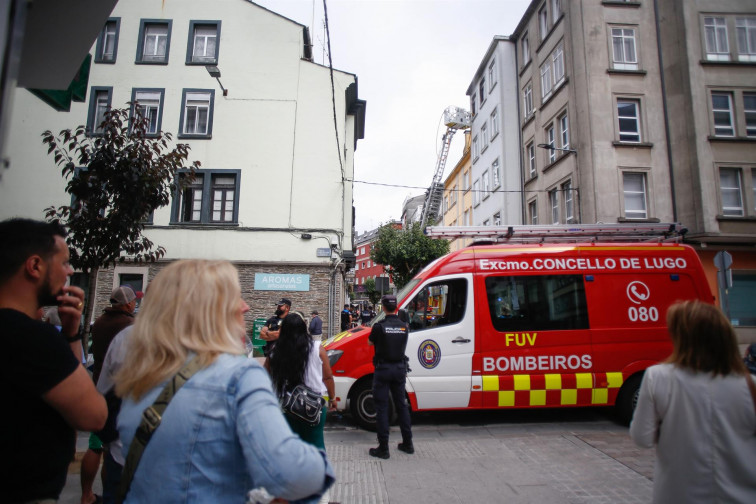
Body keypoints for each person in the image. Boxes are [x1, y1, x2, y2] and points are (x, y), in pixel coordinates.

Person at [114, 260, 332, 503]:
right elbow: (297, 475)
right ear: (208, 312)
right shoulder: (239, 377)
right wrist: (321, 462)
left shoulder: (135, 378)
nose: (246, 307)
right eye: (234, 298)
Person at [0, 218, 107, 503]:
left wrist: (70, 333)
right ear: (35, 266)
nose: (70, 271)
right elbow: (94, 415)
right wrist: (71, 339)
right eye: (64, 263)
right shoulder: (32, 339)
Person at [629, 300, 756, 503]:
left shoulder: (658, 377)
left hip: (678, 495)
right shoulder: (750, 385)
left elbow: (642, 438)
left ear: (683, 338)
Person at [81, 285, 139, 504]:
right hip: (119, 399)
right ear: (126, 304)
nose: (134, 304)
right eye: (133, 301)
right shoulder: (130, 326)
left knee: (96, 446)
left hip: (100, 389)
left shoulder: (99, 323)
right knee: (112, 453)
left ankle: (87, 494)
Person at [267, 312, 337, 450]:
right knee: (316, 443)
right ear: (304, 328)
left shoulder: (275, 351)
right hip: (314, 404)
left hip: (286, 405)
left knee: (291, 446)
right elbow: (327, 377)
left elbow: (265, 375)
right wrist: (332, 398)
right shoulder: (317, 348)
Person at [368, 294, 413, 459]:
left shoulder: (379, 327)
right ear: (396, 307)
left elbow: (370, 342)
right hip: (400, 368)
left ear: (383, 307)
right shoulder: (404, 326)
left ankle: (384, 448)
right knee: (401, 405)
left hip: (383, 368)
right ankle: (408, 443)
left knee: (382, 407)